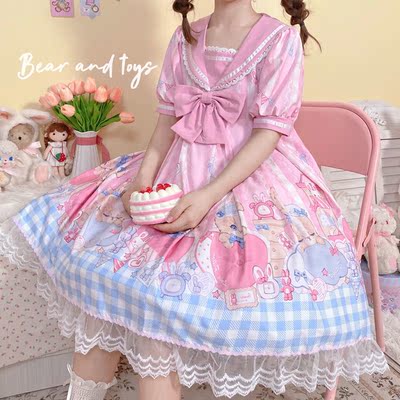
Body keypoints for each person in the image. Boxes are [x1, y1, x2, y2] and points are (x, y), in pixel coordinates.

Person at [13, 0, 388, 399]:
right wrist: (140, 181)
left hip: (244, 180)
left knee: (160, 305)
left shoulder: (279, 40)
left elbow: (269, 133)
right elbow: (166, 122)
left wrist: (208, 195)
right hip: (177, 170)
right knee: (104, 281)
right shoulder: (185, 38)